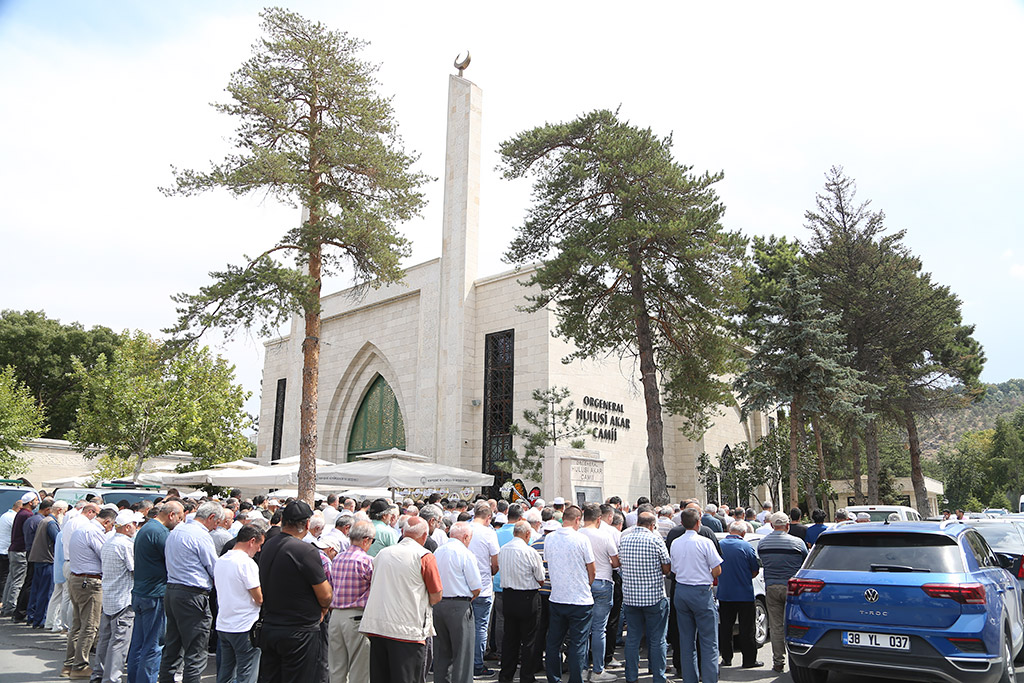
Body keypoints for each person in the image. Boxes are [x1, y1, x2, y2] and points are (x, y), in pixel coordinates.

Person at [359, 517, 442, 683]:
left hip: (378, 626)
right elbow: (436, 594)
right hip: (407, 630)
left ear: (403, 532)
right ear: (424, 535)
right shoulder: (424, 556)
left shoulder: (383, 553)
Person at [258, 500, 332, 682]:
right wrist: (322, 610)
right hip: (298, 631)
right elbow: (326, 596)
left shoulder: (268, 544)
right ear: (307, 524)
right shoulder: (305, 551)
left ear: (282, 520)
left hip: (271, 625)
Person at [158, 501, 222, 683]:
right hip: (192, 594)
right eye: (216, 522)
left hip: (173, 591)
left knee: (173, 646)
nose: (216, 527)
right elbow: (213, 567)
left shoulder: (177, 531)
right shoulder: (200, 535)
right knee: (196, 649)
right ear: (211, 518)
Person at [127, 500, 183, 683]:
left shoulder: (147, 528)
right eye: (179, 517)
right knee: (153, 646)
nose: (180, 522)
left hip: (142, 592)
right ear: (171, 515)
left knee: (139, 644)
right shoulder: (160, 532)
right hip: (154, 594)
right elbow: (174, 558)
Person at [543, 505, 596, 683]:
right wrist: (585, 584)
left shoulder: (549, 538)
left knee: (553, 644)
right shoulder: (581, 539)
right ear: (577, 520)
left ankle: (554, 678)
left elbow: (549, 561)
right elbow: (592, 569)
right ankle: (575, 679)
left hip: (558, 596)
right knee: (577, 644)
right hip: (579, 599)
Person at [670, 507, 723, 683]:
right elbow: (717, 569)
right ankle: (709, 679)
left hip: (682, 590)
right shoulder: (705, 542)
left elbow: (674, 570)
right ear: (699, 522)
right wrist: (708, 574)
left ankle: (689, 679)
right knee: (709, 641)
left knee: (686, 641)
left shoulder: (676, 542)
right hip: (700, 591)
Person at [618, 511, 671, 683]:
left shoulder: (624, 539)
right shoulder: (655, 540)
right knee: (657, 639)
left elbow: (620, 564)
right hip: (653, 596)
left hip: (631, 597)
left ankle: (631, 676)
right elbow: (667, 567)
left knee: (632, 638)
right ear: (652, 525)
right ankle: (658, 676)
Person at [64, 506, 116, 679]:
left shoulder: (83, 529)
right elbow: (105, 554)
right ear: (107, 521)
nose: (111, 529)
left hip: (78, 578)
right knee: (89, 625)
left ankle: (70, 664)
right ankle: (79, 666)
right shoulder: (93, 531)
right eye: (112, 525)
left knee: (78, 624)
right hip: (89, 581)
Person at [757, 511, 808, 673]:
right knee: (793, 625)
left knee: (776, 625)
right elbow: (805, 563)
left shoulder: (763, 543)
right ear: (787, 526)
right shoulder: (797, 543)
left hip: (771, 586)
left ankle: (778, 661)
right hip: (792, 588)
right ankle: (795, 660)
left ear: (772, 525)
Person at [93, 509, 140, 683]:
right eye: (134, 524)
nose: (136, 527)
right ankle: (111, 678)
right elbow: (135, 569)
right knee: (119, 642)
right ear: (127, 527)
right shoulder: (126, 545)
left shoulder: (109, 541)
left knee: (105, 639)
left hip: (110, 596)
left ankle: (99, 674)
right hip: (123, 598)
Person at [214, 524, 265, 683]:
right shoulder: (246, 563)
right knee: (247, 673)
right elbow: (259, 598)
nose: (259, 550)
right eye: (259, 545)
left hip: (224, 624)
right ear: (252, 541)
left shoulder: (221, 560)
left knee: (226, 673)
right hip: (244, 626)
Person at [433, 521, 482, 683]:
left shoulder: (438, 551)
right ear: (466, 537)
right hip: (459, 605)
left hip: (438, 604)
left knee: (442, 651)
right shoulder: (465, 553)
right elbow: (476, 586)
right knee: (463, 653)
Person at [327, 519, 375, 683]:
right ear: (366, 540)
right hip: (356, 616)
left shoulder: (338, 558)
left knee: (336, 667)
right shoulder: (367, 561)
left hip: (336, 616)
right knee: (359, 670)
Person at [497, 520, 544, 683]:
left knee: (510, 639)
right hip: (527, 597)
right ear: (527, 534)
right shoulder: (530, 552)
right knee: (529, 640)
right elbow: (541, 578)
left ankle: (505, 675)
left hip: (509, 596)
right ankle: (527, 676)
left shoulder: (503, 550)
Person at [579, 503, 618, 682]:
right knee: (599, 629)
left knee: (583, 629)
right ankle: (598, 670)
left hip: (583, 583)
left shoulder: (578, 535)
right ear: (599, 519)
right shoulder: (604, 535)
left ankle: (583, 667)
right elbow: (616, 561)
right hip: (602, 581)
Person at [717, 521, 762, 669]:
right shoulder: (746, 546)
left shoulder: (720, 545)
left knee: (725, 628)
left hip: (724, 593)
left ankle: (726, 658)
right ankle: (749, 660)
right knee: (747, 628)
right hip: (744, 593)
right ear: (743, 534)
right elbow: (755, 569)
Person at [466, 501, 499, 677]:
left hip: (464, 587)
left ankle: (464, 663)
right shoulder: (488, 533)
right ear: (488, 518)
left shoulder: (464, 529)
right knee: (480, 627)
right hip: (483, 586)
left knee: (465, 628)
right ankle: (477, 664)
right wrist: (491, 571)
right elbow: (495, 562)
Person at [2, 492, 37, 617]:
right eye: (36, 500)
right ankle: (11, 607)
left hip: (13, 549)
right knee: (18, 581)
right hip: (20, 550)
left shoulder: (20, 513)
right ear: (30, 502)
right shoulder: (27, 515)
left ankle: (6, 605)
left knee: (11, 579)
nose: (37, 503)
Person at [26, 497, 59, 628]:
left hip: (39, 558)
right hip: (47, 560)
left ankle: (33, 617)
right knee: (45, 592)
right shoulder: (50, 523)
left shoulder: (43, 520)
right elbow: (58, 540)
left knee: (37, 590)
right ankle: (40, 619)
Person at [0, 498, 23, 608]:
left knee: (7, 577)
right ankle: (7, 603)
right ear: (19, 508)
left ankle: (4, 602)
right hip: (7, 550)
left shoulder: (5, 515)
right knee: (9, 578)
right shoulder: (13, 518)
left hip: (3, 549)